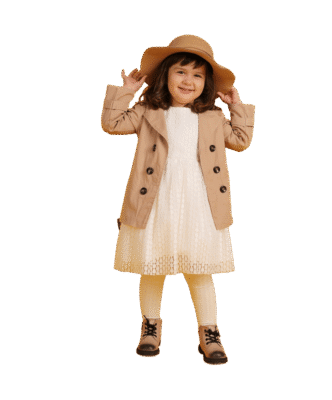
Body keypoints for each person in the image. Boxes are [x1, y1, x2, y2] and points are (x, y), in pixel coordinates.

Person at [100, 34, 255, 366]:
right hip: (155, 201)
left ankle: (209, 332)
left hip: (200, 203)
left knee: (200, 270)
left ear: (206, 83)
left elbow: (242, 140)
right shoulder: (147, 111)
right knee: (151, 266)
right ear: (165, 75)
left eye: (198, 75)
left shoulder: (213, 117)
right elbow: (111, 123)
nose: (188, 80)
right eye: (181, 72)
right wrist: (128, 90)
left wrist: (235, 107)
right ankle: (150, 327)